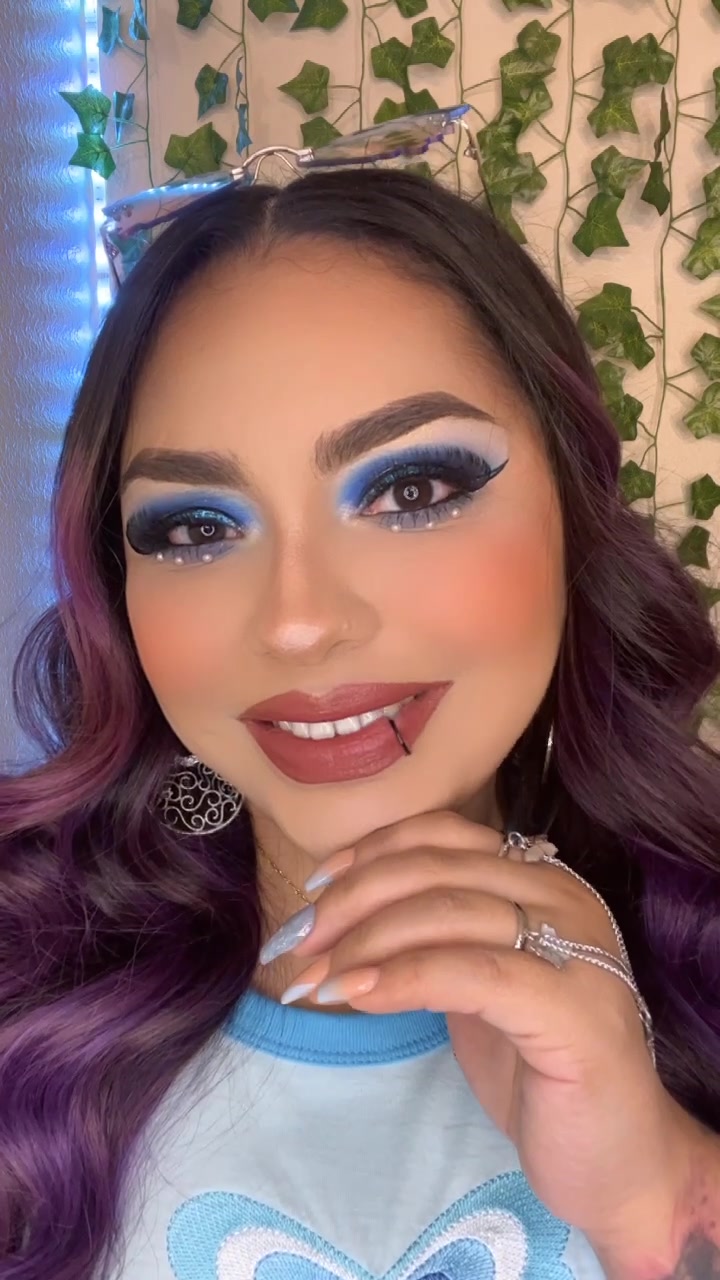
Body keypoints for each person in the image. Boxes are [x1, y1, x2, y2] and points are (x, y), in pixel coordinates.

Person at [1, 130, 720, 1280]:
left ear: (572, 508)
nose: (299, 619)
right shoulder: (26, 997)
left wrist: (652, 1193)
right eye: (197, 526)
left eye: (411, 487)